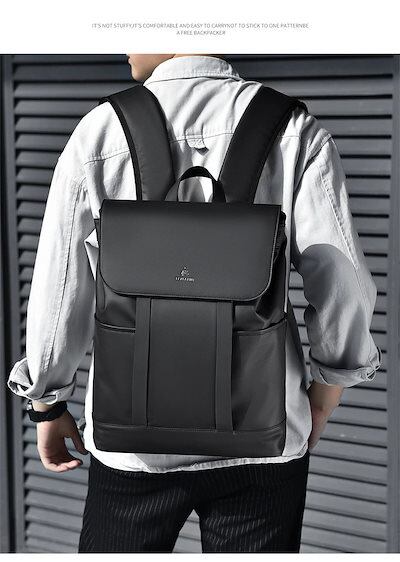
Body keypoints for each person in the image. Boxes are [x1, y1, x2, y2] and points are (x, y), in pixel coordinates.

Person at [7, 54, 381, 553]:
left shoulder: (101, 131)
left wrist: (47, 402)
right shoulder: (294, 130)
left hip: (133, 445)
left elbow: (60, 287)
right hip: (264, 435)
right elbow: (342, 278)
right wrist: (329, 386)